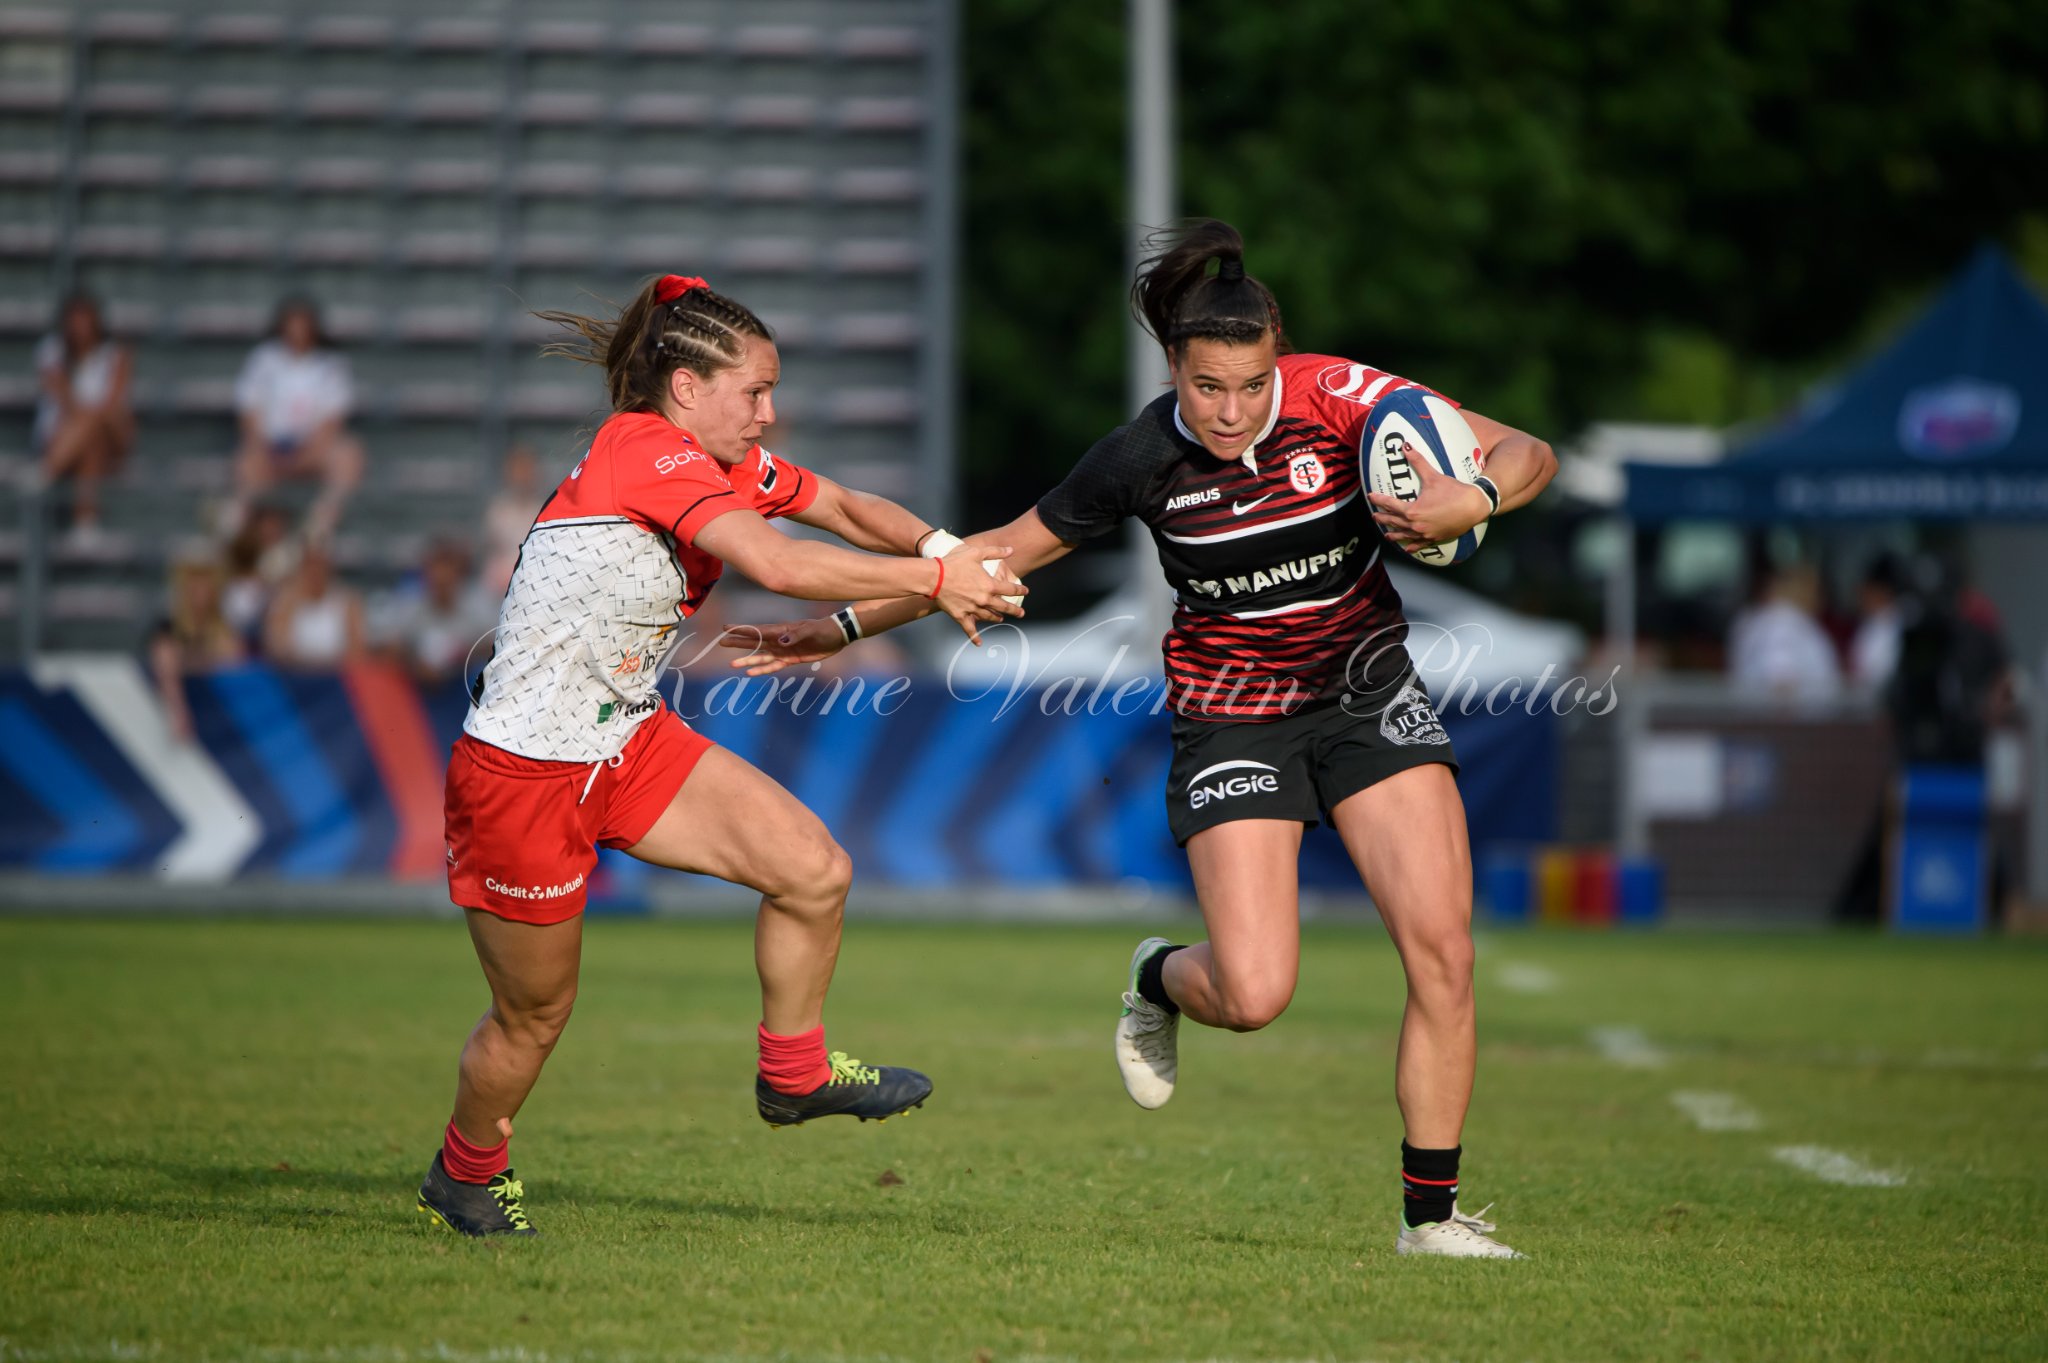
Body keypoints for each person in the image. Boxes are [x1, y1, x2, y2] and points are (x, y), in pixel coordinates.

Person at [721, 220, 1558, 1258]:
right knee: (1252, 995)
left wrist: (1468, 493)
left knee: (1442, 954)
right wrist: (836, 628)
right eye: (1209, 387)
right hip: (1230, 712)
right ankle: (1159, 976)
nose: (1232, 409)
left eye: (1251, 386)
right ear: (1174, 368)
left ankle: (1427, 1221)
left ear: (1278, 360)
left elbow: (1529, 451)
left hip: (1366, 694)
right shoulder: (1137, 457)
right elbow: (988, 561)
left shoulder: (1342, 399)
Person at [416, 273, 1026, 1238]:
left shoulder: (720, 461)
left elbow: (848, 506)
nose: (770, 413)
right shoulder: (641, 447)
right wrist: (938, 577)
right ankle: (466, 1168)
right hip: (522, 773)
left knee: (813, 870)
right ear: (688, 389)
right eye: (755, 392)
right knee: (533, 1017)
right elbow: (777, 566)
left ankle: (794, 1072)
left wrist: (944, 544)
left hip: (623, 738)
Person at [229, 297, 365, 541]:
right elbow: (249, 409)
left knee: (348, 455)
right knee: (247, 462)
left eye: (303, 324)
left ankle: (321, 521)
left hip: (314, 449)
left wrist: (307, 454)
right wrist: (260, 447)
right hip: (270, 449)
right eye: (292, 323)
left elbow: (333, 420)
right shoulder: (263, 360)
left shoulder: (332, 365)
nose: (297, 331)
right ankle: (240, 529)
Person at [35, 291, 134, 541]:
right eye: (75, 320)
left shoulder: (116, 355)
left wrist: (88, 413)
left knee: (94, 425)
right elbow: (60, 396)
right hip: (64, 435)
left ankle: (47, 471)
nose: (80, 327)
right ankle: (85, 522)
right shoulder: (52, 350)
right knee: (92, 439)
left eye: (85, 320)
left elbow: (112, 403)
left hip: (109, 433)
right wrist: (90, 414)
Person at [371, 538, 496, 687]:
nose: (441, 577)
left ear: (459, 575)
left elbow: (495, 645)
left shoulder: (478, 604)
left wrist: (461, 658)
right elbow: (386, 647)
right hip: (419, 691)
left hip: (464, 688)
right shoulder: (410, 605)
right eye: (435, 570)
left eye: (448, 571)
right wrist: (414, 662)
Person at [148, 552, 244, 742]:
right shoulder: (169, 626)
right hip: (182, 702)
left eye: (205, 585)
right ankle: (178, 715)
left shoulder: (223, 626)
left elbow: (234, 658)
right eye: (194, 585)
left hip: (216, 706)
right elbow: (164, 660)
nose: (199, 591)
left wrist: (192, 660)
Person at [1727, 563, 1842, 703]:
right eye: (1813, 588)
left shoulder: (1768, 619)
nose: (1819, 597)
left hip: (1796, 719)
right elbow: (1780, 683)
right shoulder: (1782, 622)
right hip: (1795, 721)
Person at [263, 540, 365, 669]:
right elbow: (277, 646)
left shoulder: (348, 602)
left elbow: (358, 649)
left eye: (320, 565)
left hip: (336, 674)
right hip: (296, 674)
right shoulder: (285, 602)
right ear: (302, 568)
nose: (316, 571)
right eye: (311, 565)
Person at [481, 444, 544, 595]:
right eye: (517, 469)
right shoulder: (498, 510)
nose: (522, 476)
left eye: (526, 469)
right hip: (499, 589)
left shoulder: (545, 510)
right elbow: (489, 554)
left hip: (536, 587)